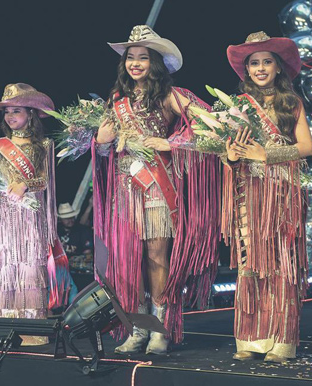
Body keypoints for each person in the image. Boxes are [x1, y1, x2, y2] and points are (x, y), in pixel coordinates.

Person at [95, 25, 221, 355]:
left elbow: (211, 124)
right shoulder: (116, 100)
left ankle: (160, 329)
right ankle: (137, 328)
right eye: (130, 58)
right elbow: (102, 141)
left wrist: (171, 141)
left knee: (155, 256)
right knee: (129, 260)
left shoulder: (170, 95)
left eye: (143, 58)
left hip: (155, 186)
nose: (135, 64)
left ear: (156, 63)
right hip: (124, 189)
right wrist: (100, 132)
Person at [222, 31, 312, 362]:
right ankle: (251, 338)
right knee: (250, 261)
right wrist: (230, 155)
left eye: (267, 62)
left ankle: (282, 340)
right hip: (250, 191)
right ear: (247, 70)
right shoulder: (237, 107)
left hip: (284, 191)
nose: (261, 69)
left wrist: (268, 155)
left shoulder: (292, 103)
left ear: (278, 67)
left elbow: (306, 147)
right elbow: (227, 149)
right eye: (255, 63)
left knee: (281, 263)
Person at [0, 83, 69, 344]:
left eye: (16, 110)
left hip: (30, 218)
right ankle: (9, 329)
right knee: (9, 269)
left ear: (30, 113)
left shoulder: (43, 145)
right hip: (6, 218)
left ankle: (34, 331)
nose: (10, 116)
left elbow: (45, 182)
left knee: (30, 269)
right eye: (6, 111)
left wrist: (27, 184)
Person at [57, 202, 93, 271]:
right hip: (58, 267)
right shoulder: (56, 231)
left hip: (76, 267)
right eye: (66, 219)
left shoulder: (82, 230)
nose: (70, 220)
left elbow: (87, 253)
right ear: (60, 219)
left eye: (72, 217)